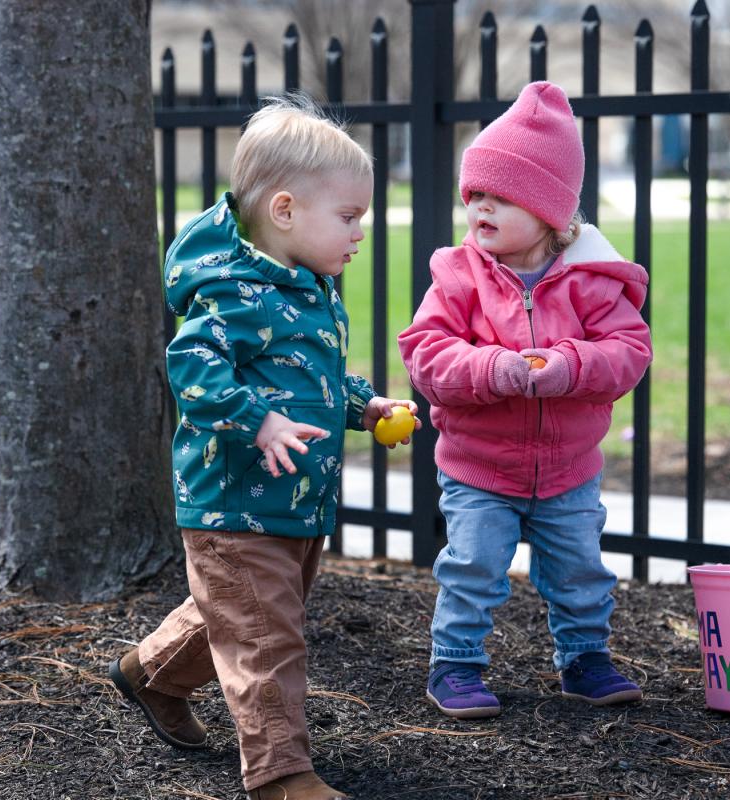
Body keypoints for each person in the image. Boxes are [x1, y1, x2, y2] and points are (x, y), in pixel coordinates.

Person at [111, 95, 419, 800]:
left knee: (237, 612)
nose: (360, 233)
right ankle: (281, 773)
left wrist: (363, 406)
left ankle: (145, 674)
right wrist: (260, 422)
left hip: (293, 500)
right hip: (233, 501)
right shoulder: (234, 293)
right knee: (265, 638)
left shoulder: (307, 289)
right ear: (285, 211)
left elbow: (312, 377)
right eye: (349, 217)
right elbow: (193, 367)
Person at [397, 81, 652, 719]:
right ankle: (454, 665)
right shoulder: (458, 276)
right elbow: (425, 355)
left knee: (580, 574)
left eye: (501, 197)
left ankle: (585, 658)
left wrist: (567, 365)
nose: (480, 208)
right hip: (480, 468)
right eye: (474, 194)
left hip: (567, 470)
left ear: (552, 215)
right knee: (473, 569)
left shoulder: (593, 280)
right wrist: (496, 369)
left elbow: (629, 352)